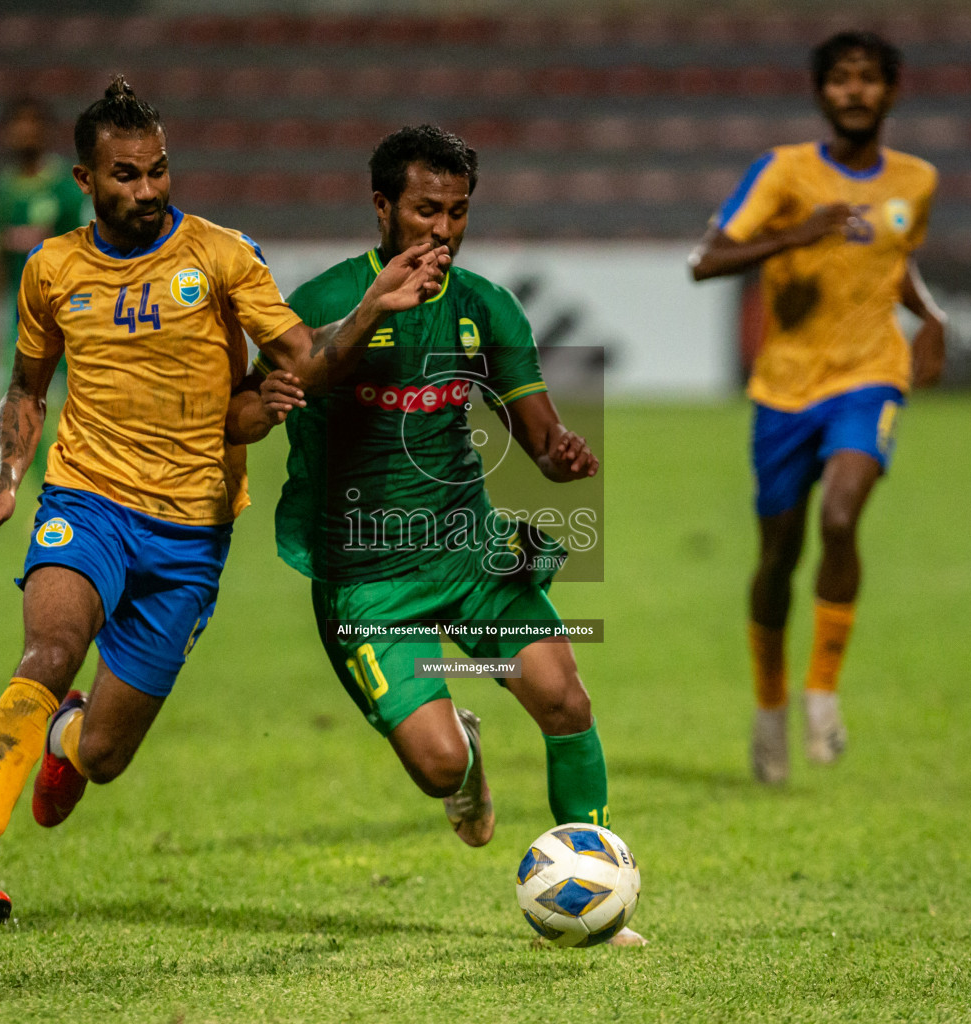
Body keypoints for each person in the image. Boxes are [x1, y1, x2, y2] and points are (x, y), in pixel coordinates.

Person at [0, 79, 449, 944]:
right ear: (86, 180)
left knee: (103, 754)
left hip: (189, 533)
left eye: (159, 170)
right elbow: (25, 391)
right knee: (51, 647)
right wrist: (7, 479)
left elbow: (304, 359)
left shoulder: (219, 256)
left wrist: (368, 310)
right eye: (127, 175)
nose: (147, 190)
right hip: (86, 498)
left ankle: (61, 744)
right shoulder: (52, 270)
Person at [262, 124, 643, 947]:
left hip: (471, 554)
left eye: (458, 212)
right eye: (425, 211)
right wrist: (370, 316)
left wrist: (560, 453)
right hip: (366, 579)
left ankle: (600, 895)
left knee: (564, 698)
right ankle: (464, 766)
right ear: (382, 208)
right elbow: (251, 408)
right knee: (435, 766)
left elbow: (538, 437)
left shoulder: (486, 307)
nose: (442, 230)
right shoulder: (322, 302)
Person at [688, 32, 947, 784]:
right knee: (778, 557)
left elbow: (895, 262)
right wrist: (793, 236)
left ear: (892, 90)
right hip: (783, 390)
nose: (855, 91)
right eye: (840, 80)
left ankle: (822, 692)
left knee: (841, 517)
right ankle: (769, 709)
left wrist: (931, 316)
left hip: (870, 376)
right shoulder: (783, 172)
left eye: (869, 79)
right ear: (821, 93)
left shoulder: (917, 181)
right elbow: (703, 260)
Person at [0, 97, 92, 481]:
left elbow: (88, 246)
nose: (24, 132)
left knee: (76, 404)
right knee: (17, 407)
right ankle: (51, 484)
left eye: (32, 124)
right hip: (19, 314)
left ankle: (85, 482)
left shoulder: (66, 187)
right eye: (17, 124)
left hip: (69, 309)